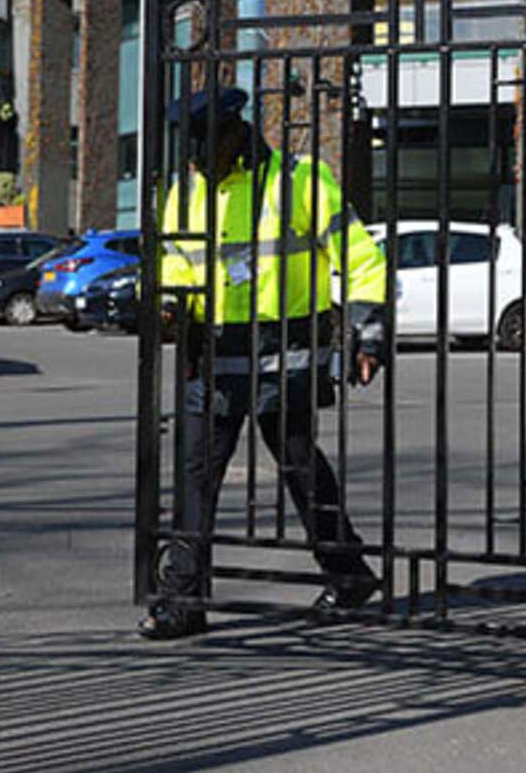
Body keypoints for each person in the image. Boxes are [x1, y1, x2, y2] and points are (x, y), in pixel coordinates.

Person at [140, 87, 391, 640]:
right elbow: (174, 265)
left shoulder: (299, 180)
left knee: (301, 469)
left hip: (288, 357)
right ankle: (183, 598)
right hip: (212, 355)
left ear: (237, 131)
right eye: (191, 146)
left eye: (208, 144)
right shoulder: (182, 193)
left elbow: (362, 258)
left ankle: (347, 574)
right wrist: (167, 307)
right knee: (196, 474)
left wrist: (367, 334)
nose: (199, 158)